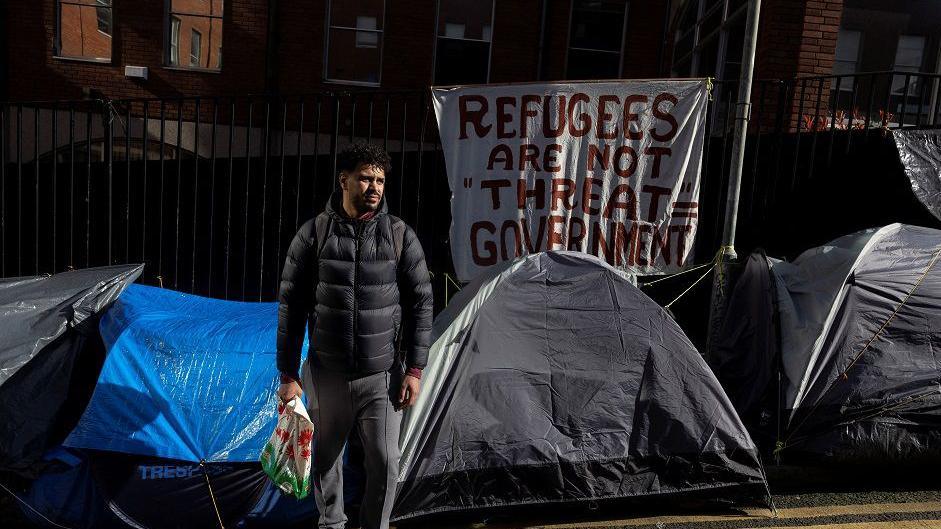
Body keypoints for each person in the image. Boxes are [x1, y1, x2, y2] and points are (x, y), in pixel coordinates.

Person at [276, 143, 433, 529]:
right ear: (344, 180)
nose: (374, 186)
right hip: (326, 375)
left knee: (386, 463)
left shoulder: (400, 236)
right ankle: (331, 525)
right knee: (326, 464)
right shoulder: (313, 233)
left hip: (382, 377)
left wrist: (415, 368)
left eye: (380, 179)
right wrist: (288, 376)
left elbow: (422, 304)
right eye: (365, 177)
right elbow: (290, 308)